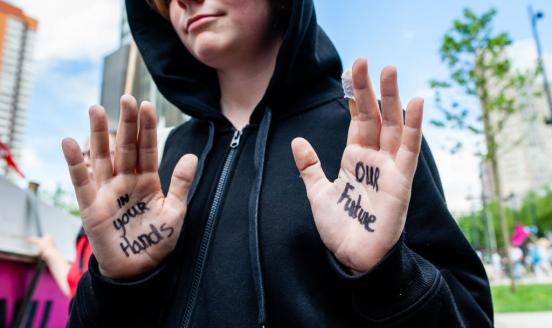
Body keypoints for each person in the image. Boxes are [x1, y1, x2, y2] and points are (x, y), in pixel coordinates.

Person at [62, 0, 492, 326]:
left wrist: (386, 274)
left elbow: (470, 314)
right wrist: (116, 284)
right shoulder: (158, 163)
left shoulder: (371, 139)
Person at [30, 134, 116, 298]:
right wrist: (50, 252)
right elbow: (77, 291)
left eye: (94, 153)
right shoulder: (87, 227)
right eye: (83, 154)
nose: (84, 161)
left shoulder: (126, 224)